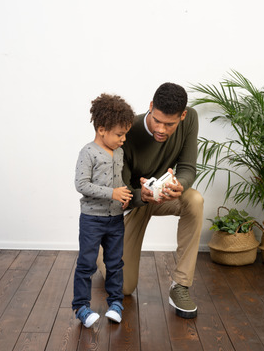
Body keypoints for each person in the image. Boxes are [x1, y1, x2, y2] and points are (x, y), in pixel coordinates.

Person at [98, 82, 204, 319]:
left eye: (170, 124)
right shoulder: (126, 130)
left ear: (183, 115)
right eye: (157, 120)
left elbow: (187, 168)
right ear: (150, 107)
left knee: (194, 199)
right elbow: (119, 192)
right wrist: (141, 195)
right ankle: (102, 254)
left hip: (165, 195)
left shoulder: (190, 119)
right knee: (125, 288)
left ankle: (181, 286)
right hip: (133, 202)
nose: (162, 130)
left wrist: (180, 186)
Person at [72, 93, 135, 328]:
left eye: (125, 134)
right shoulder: (87, 153)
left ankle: (116, 304)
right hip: (92, 219)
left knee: (115, 263)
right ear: (101, 129)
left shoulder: (118, 152)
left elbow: (118, 181)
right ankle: (81, 307)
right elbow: (81, 184)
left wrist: (124, 195)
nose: (123, 139)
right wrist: (112, 194)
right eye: (119, 134)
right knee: (87, 264)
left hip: (115, 219)